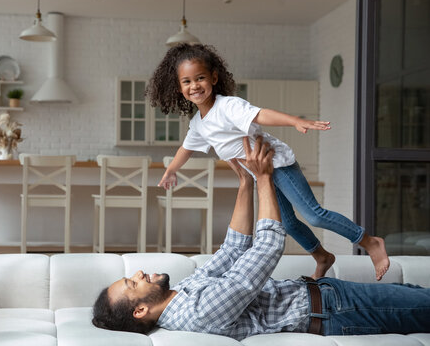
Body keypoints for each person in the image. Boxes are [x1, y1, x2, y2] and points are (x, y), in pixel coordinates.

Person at [92, 136, 430, 340]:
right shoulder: (197, 312)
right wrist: (265, 177)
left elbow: (235, 247)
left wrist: (246, 183)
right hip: (336, 312)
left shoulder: (185, 292)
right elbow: (267, 247)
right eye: (132, 283)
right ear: (140, 311)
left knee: (419, 297)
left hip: (330, 296)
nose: (138, 274)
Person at [146, 43, 389, 280]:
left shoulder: (227, 106)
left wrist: (294, 121)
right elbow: (186, 148)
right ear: (179, 88)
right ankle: (322, 256)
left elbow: (260, 113)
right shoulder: (199, 123)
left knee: (313, 215)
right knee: (288, 224)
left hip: (277, 166)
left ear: (214, 78)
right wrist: (170, 171)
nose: (194, 85)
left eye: (200, 78)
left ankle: (369, 241)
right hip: (260, 175)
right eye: (187, 81)